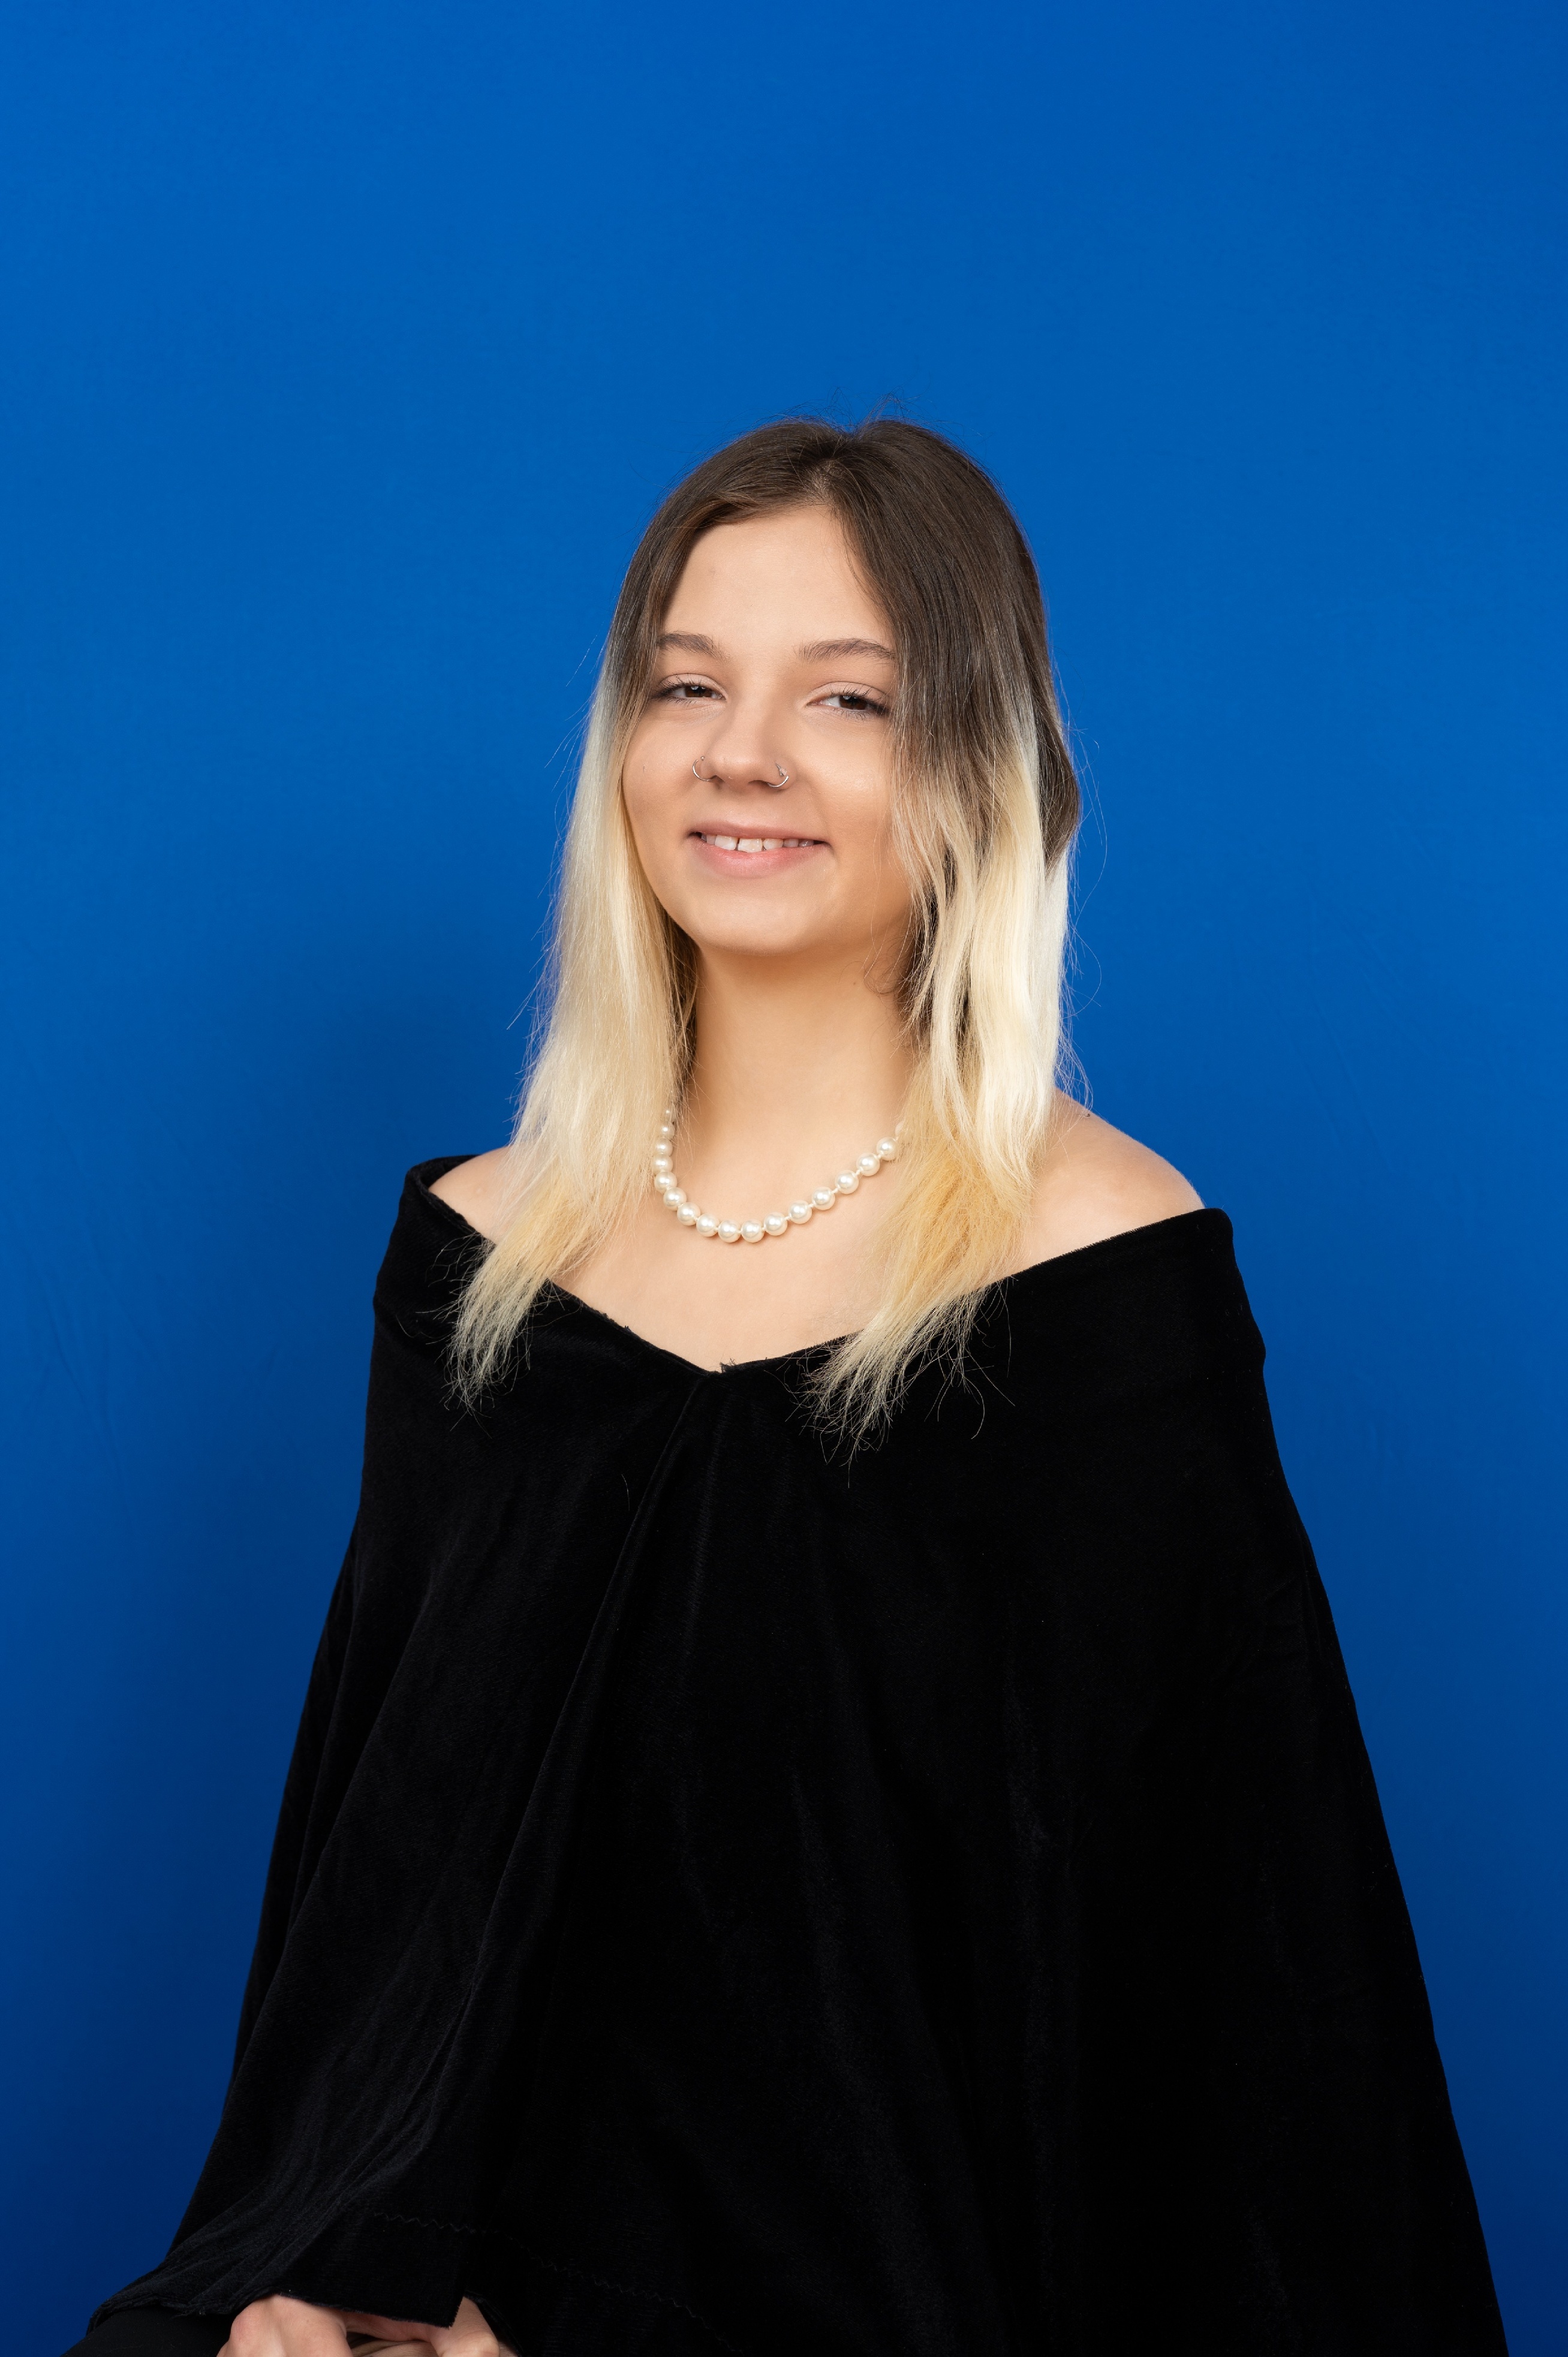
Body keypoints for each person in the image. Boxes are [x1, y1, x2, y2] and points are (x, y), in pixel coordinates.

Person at [72, 419, 1507, 2357]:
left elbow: (1243, 2029)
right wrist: (309, 2280)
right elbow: (373, 1933)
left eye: (848, 697)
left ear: (982, 767)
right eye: (688, 686)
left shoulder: (1105, 1287)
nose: (741, 754)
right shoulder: (477, 1268)